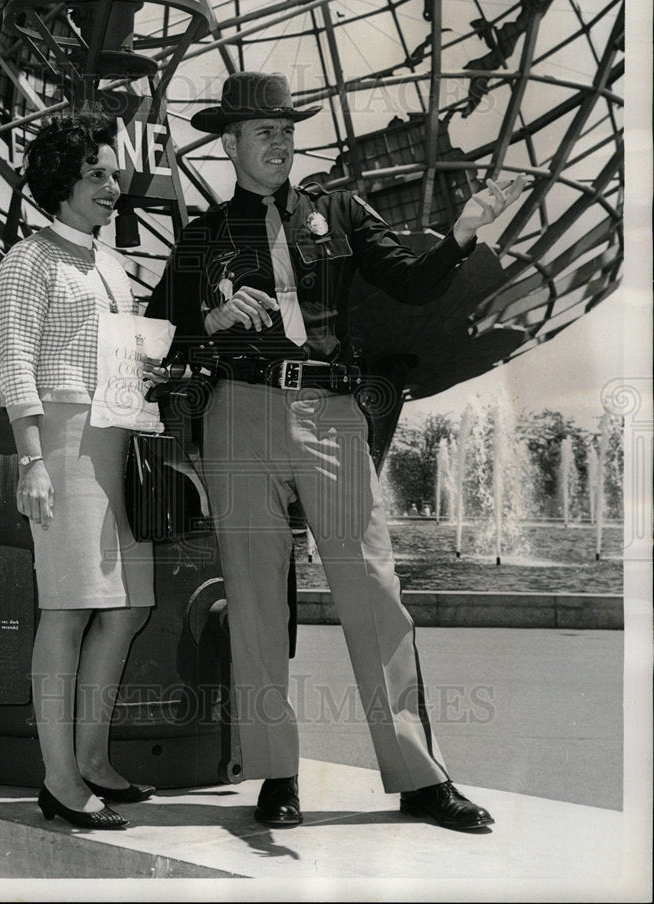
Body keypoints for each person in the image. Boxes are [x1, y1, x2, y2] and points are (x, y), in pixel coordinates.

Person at [147, 71, 527, 831]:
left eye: (288, 129)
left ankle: (420, 778)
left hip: (330, 413)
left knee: (374, 593)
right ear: (231, 143)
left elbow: (413, 286)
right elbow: (159, 338)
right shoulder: (202, 236)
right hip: (238, 414)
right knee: (253, 601)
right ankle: (275, 774)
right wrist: (212, 322)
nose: (280, 142)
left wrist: (463, 232)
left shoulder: (339, 210)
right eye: (264, 131)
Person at [0, 113, 163, 830]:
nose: (110, 184)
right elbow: (17, 366)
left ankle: (92, 759)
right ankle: (60, 781)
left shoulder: (111, 265)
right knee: (66, 608)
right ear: (60, 182)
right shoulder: (26, 262)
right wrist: (31, 460)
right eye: (94, 172)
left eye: (111, 171)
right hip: (61, 444)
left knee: (126, 607)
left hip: (118, 441)